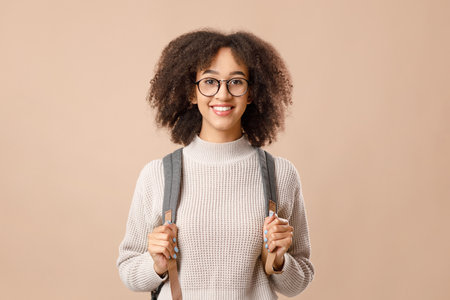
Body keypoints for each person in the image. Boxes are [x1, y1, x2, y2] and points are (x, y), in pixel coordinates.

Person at [116, 29, 314, 299]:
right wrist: (157, 265)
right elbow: (128, 269)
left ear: (251, 93)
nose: (222, 94)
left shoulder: (281, 174)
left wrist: (279, 261)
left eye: (236, 82)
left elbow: (298, 281)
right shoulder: (157, 175)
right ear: (191, 93)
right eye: (209, 81)